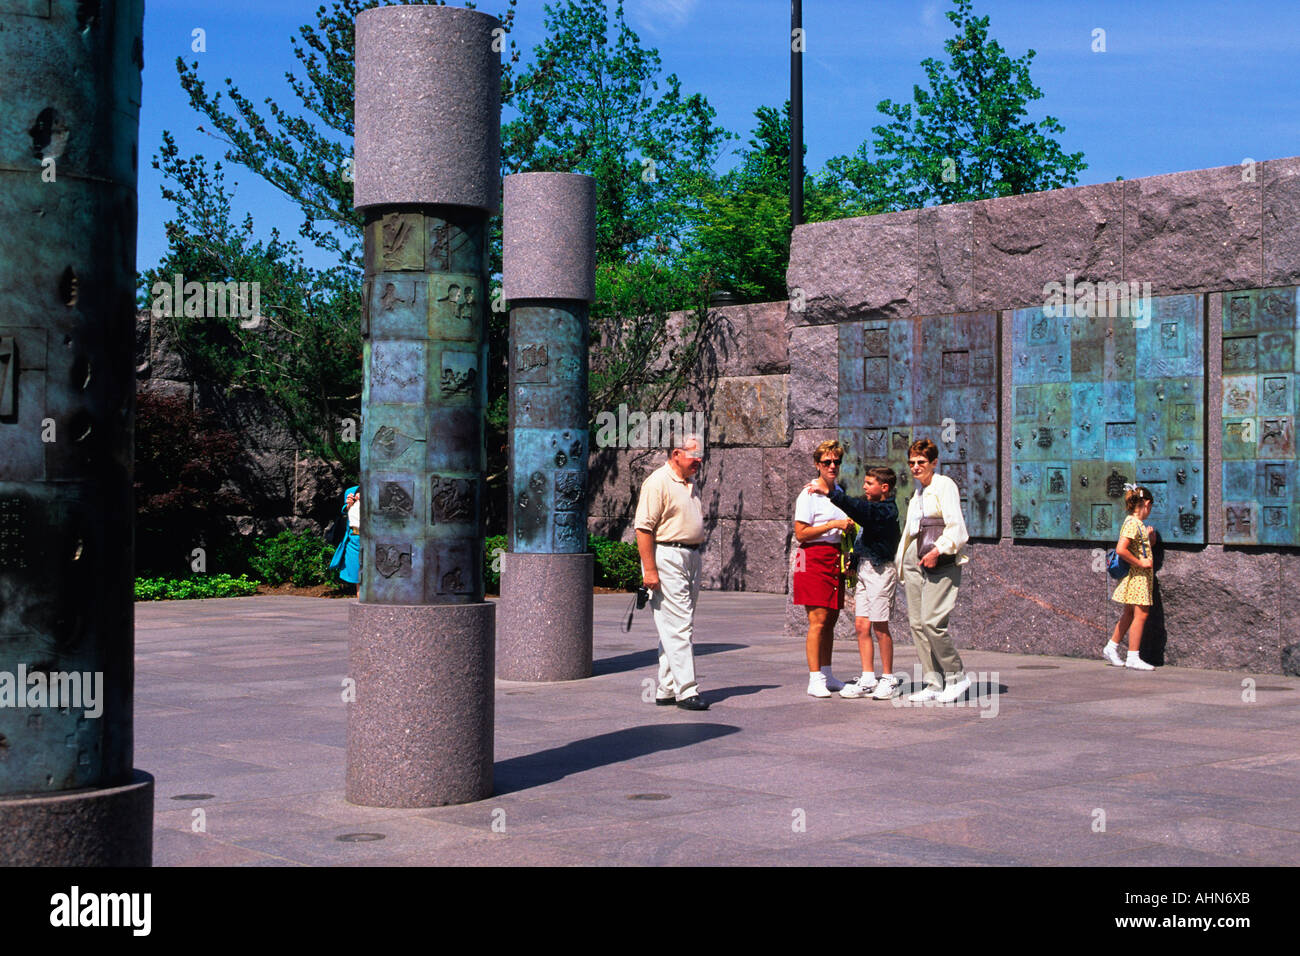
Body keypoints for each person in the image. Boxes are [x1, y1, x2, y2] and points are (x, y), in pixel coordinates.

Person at [808, 466, 903, 700]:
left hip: (881, 571)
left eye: (869, 483)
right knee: (861, 625)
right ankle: (868, 676)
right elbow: (864, 534)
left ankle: (888, 678)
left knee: (880, 626)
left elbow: (860, 510)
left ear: (884, 488)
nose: (864, 487)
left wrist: (830, 492)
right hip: (864, 569)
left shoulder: (886, 510)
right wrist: (854, 562)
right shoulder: (873, 507)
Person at [635, 434, 709, 711]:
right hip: (667, 555)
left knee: (676, 623)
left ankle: (667, 687)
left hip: (690, 555)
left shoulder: (689, 483)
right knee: (679, 625)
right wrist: (650, 570)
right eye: (694, 455)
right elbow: (643, 528)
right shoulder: (657, 482)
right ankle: (687, 690)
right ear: (676, 453)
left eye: (700, 455)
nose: (699, 460)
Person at [897, 438, 971, 703]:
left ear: (934, 463)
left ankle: (956, 676)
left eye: (921, 462)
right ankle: (934, 682)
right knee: (917, 624)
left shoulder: (944, 485)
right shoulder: (918, 491)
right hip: (915, 559)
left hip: (938, 559)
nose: (916, 467)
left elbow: (957, 528)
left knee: (932, 622)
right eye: (912, 462)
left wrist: (938, 550)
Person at [793, 440, 854, 698]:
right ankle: (814, 676)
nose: (832, 466)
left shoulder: (837, 491)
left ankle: (827, 673)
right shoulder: (808, 494)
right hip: (814, 557)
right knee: (816, 620)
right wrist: (832, 524)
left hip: (834, 556)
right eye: (827, 462)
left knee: (831, 619)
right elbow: (801, 533)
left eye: (836, 462)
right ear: (817, 464)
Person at [1103, 485, 1156, 671]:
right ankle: (1133, 656)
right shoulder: (1133, 523)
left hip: (1139, 576)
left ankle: (1111, 647)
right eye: (1150, 508)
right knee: (1141, 614)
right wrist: (1140, 563)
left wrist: (1150, 539)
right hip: (1137, 576)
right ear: (1147, 504)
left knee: (1129, 614)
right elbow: (1121, 549)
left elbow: (1139, 547)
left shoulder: (1136, 524)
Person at [330, 485, 362, 589]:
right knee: (359, 580)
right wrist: (349, 505)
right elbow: (345, 510)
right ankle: (362, 605)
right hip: (354, 539)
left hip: (373, 540)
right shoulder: (351, 491)